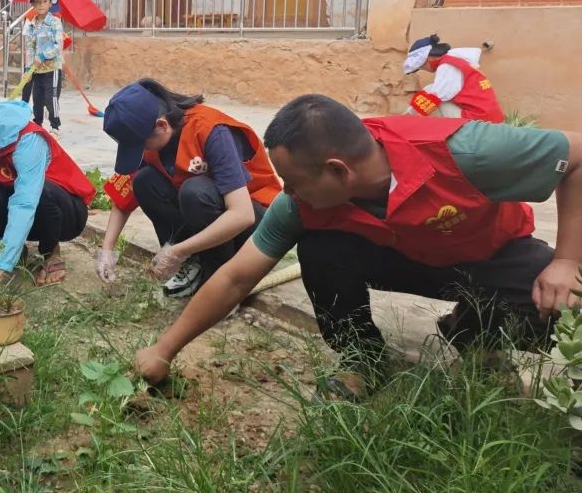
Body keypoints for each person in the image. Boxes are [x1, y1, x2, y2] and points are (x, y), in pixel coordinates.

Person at [133, 94, 582, 399]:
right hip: (405, 259)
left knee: (568, 305)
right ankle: (362, 359)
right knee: (321, 248)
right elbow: (235, 277)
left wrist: (566, 260)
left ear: (337, 170)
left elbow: (578, 156)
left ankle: (475, 331)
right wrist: (162, 350)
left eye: (294, 181)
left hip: (488, 256)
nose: (288, 192)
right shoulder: (300, 205)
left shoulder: (465, 150)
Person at [96, 80, 281, 298]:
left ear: (161, 126)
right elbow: (123, 198)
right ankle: (194, 263)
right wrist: (107, 250)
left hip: (255, 224)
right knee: (144, 181)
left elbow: (242, 215)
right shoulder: (152, 136)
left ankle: (220, 279)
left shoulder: (210, 130)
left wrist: (178, 250)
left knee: (195, 192)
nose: (141, 151)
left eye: (141, 145)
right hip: (212, 215)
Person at [0, 83, 94, 285]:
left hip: (64, 212)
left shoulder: (27, 138)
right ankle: (15, 249)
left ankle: (50, 252)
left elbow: (24, 203)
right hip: (20, 208)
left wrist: (0, 270)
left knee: (42, 193)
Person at [404, 34, 504, 122]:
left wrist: (410, 116)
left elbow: (436, 96)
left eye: (423, 66)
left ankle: (408, 121)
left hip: (479, 119)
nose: (425, 70)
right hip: (489, 117)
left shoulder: (448, 66)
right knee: (430, 91)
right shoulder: (456, 61)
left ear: (429, 58)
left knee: (431, 95)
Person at [18, 0, 65, 136]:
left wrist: (43, 56)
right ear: (33, 5)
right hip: (36, 69)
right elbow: (30, 48)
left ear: (50, 3)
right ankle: (37, 125)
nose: (41, 5)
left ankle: (55, 126)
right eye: (37, 2)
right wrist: (28, 68)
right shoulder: (31, 24)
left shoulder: (55, 22)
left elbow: (58, 46)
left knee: (51, 99)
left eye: (44, 1)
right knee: (37, 99)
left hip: (52, 68)